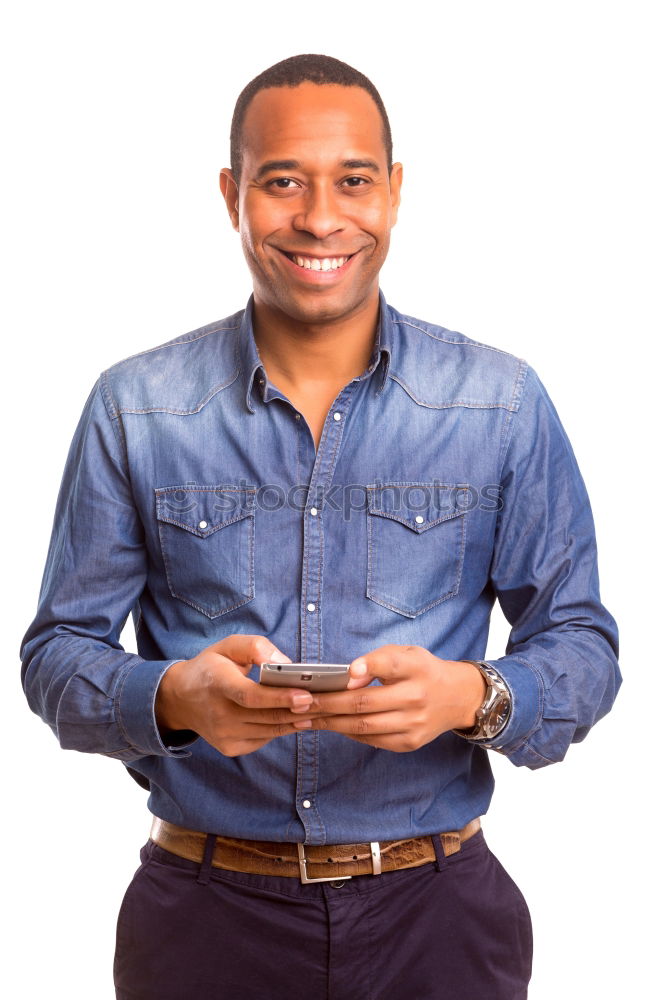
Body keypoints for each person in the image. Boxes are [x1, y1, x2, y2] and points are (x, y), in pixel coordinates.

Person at [20, 53, 621, 1000]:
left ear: (394, 192)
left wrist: (473, 694)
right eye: (282, 181)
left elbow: (583, 643)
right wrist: (175, 697)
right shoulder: (135, 408)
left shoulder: (499, 403)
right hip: (204, 920)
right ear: (232, 195)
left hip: (441, 920)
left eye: (353, 180)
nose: (320, 217)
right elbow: (57, 652)